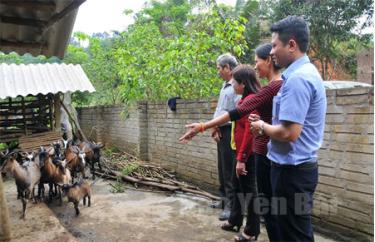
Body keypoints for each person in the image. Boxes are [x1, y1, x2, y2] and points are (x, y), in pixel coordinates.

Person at [179, 44, 283, 240]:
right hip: (256, 151)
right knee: (242, 188)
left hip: (258, 152)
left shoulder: (270, 90)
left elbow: (245, 127)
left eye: (256, 62)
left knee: (256, 196)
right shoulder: (257, 94)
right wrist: (205, 127)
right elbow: (235, 114)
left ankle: (251, 231)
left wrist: (241, 156)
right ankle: (238, 221)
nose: (255, 66)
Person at [250, 16, 326, 241]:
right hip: (294, 171)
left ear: (291, 45)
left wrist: (262, 126)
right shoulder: (301, 74)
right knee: (289, 231)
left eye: (274, 45)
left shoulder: (298, 79)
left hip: (292, 173)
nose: (271, 52)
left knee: (295, 235)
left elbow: (289, 133)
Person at [219, 64, 261, 242]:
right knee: (236, 187)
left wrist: (241, 158)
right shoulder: (244, 99)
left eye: (233, 82)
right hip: (240, 151)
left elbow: (248, 134)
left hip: (248, 154)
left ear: (243, 83)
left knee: (250, 192)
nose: (232, 85)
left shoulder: (252, 101)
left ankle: (252, 231)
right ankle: (235, 219)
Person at [212, 53, 241, 221]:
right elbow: (219, 110)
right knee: (222, 168)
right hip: (221, 131)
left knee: (230, 170)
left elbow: (236, 113)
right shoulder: (225, 86)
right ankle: (223, 200)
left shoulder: (237, 86)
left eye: (219, 68)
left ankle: (231, 206)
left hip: (230, 131)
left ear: (228, 68)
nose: (218, 72)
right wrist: (214, 128)